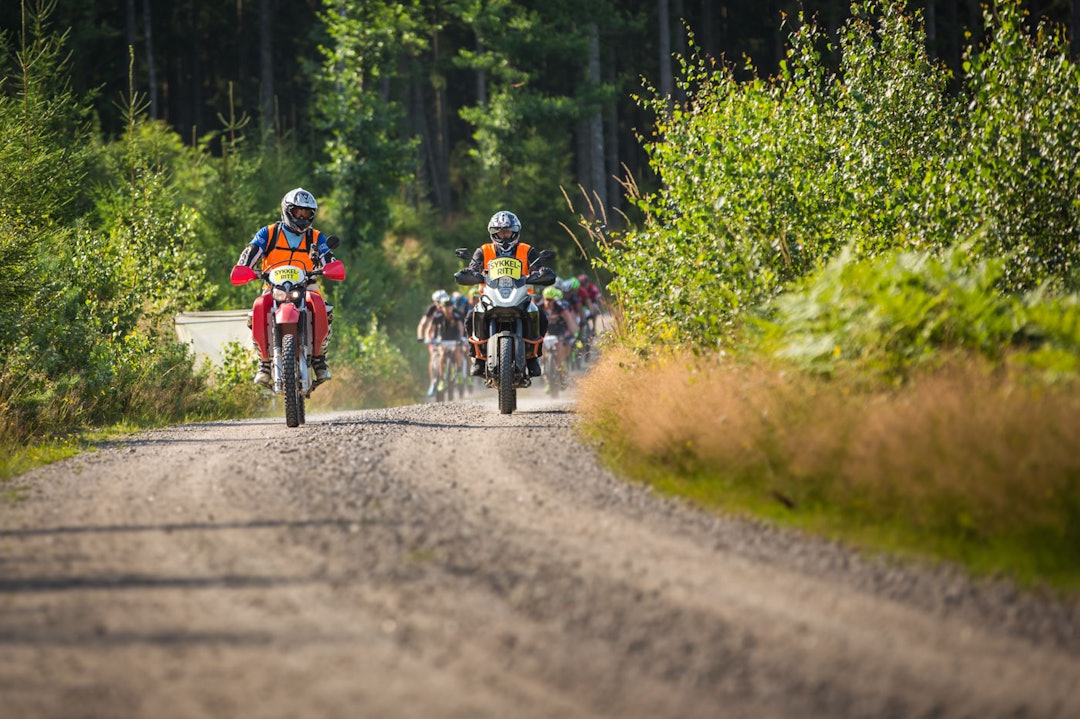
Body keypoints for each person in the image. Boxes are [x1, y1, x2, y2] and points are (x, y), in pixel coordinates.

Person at [236, 187, 339, 388]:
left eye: (307, 213)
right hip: (272, 285)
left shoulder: (316, 237)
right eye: (297, 212)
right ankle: (264, 362)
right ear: (286, 210)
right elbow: (251, 251)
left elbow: (328, 256)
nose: (302, 216)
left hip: (306, 284)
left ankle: (319, 357)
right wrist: (243, 267)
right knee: (256, 310)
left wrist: (332, 267)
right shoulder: (269, 233)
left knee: (323, 308)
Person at [460, 210, 554, 377]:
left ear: (515, 232)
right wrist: (468, 272)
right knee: (470, 317)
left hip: (521, 295)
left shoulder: (527, 250)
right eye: (501, 232)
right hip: (491, 295)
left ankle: (534, 358)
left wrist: (542, 271)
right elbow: (473, 267)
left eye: (508, 232)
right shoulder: (483, 250)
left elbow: (537, 267)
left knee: (541, 317)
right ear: (494, 233)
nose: (505, 236)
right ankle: (477, 358)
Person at [417, 289, 450, 395]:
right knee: (433, 356)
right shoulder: (431, 310)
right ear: (435, 302)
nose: (440, 304)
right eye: (438, 302)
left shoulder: (448, 307)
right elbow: (422, 324)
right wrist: (421, 336)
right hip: (433, 335)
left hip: (445, 336)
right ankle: (433, 381)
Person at [541, 286, 579, 376]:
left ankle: (560, 366)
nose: (548, 302)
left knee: (560, 344)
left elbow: (568, 319)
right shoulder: (539, 307)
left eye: (551, 300)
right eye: (546, 299)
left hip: (559, 329)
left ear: (554, 300)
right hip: (546, 329)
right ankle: (543, 362)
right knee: (540, 342)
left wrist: (574, 332)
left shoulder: (560, 307)